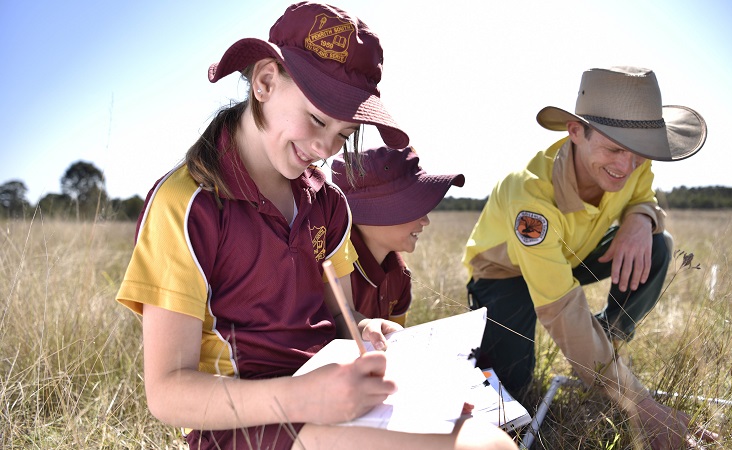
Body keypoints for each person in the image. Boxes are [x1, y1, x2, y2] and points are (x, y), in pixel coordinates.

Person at [115, 3, 516, 450]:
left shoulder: (329, 204)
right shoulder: (185, 205)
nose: (326, 147)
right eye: (318, 119)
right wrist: (304, 397)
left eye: (344, 134)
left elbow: (342, 320)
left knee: (489, 439)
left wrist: (367, 329)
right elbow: (167, 393)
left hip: (335, 400)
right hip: (244, 429)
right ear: (265, 82)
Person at [462, 66, 719, 448]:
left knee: (659, 245)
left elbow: (642, 195)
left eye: (638, 154)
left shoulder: (634, 162)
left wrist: (640, 219)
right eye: (614, 148)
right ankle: (588, 362)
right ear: (576, 132)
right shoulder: (531, 197)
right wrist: (642, 407)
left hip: (572, 256)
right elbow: (563, 313)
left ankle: (605, 344)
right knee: (510, 395)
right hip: (504, 274)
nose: (626, 167)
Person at [330, 146, 465, 326]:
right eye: (414, 208)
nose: (426, 221)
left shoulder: (400, 275)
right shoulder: (331, 268)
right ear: (375, 212)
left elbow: (396, 340)